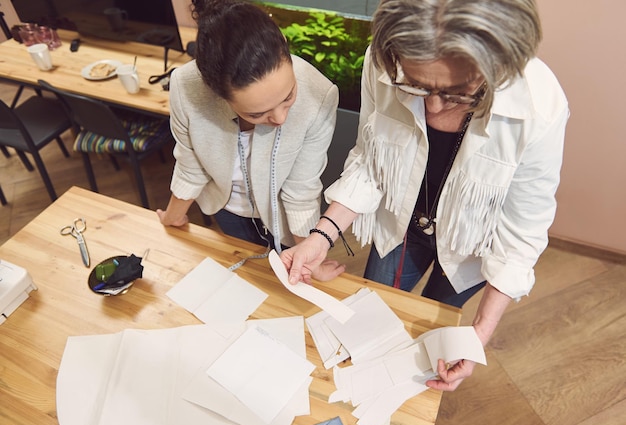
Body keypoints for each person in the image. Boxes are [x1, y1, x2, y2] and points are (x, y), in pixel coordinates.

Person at [280, 0, 569, 391]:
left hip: (469, 245)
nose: (432, 107)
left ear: (498, 67)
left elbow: (523, 229)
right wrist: (321, 237)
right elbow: (369, 161)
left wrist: (479, 334)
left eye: (458, 92)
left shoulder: (540, 106)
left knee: (439, 325)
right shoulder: (386, 60)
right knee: (371, 314)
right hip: (400, 225)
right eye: (415, 85)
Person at [157, 0, 343, 278]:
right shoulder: (186, 86)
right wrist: (173, 216)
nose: (280, 118)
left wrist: (308, 258)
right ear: (216, 92)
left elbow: (301, 190)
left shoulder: (319, 95)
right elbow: (190, 163)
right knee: (247, 276)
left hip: (283, 217)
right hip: (226, 207)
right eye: (258, 113)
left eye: (289, 96)